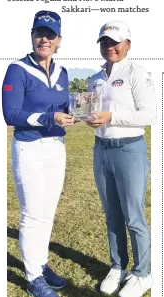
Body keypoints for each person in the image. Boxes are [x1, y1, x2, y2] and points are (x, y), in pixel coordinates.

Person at [2, 10, 74, 297]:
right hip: (29, 147)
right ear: (32, 36)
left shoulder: (63, 72)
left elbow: (66, 108)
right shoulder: (17, 70)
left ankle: (40, 263)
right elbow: (11, 114)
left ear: (59, 40)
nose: (44, 39)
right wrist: (49, 118)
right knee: (32, 214)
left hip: (56, 148)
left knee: (47, 213)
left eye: (50, 35)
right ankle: (33, 278)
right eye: (38, 33)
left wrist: (78, 114)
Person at [87, 20, 157, 297]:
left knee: (133, 215)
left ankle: (142, 274)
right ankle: (118, 266)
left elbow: (150, 115)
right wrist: (90, 120)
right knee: (112, 214)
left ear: (128, 43)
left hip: (129, 149)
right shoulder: (95, 78)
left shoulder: (136, 73)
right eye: (104, 42)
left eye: (115, 42)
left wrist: (112, 117)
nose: (110, 47)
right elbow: (93, 113)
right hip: (101, 148)